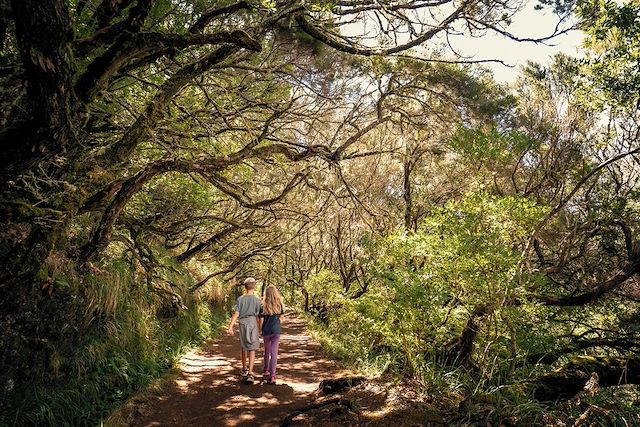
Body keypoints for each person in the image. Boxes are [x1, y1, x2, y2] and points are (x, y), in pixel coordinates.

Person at [227, 277, 261, 384]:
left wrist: (231, 326)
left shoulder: (240, 299)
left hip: (242, 323)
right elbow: (258, 316)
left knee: (244, 346)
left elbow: (236, 313)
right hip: (252, 323)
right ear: (254, 286)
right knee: (252, 348)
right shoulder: (257, 300)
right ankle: (250, 373)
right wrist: (260, 328)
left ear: (245, 287)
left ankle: (244, 368)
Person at [259, 285, 285, 385]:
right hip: (276, 331)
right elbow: (282, 318)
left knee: (267, 351)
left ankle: (266, 370)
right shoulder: (279, 304)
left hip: (266, 330)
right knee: (274, 352)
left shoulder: (263, 305)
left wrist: (260, 330)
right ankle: (272, 376)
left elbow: (261, 319)